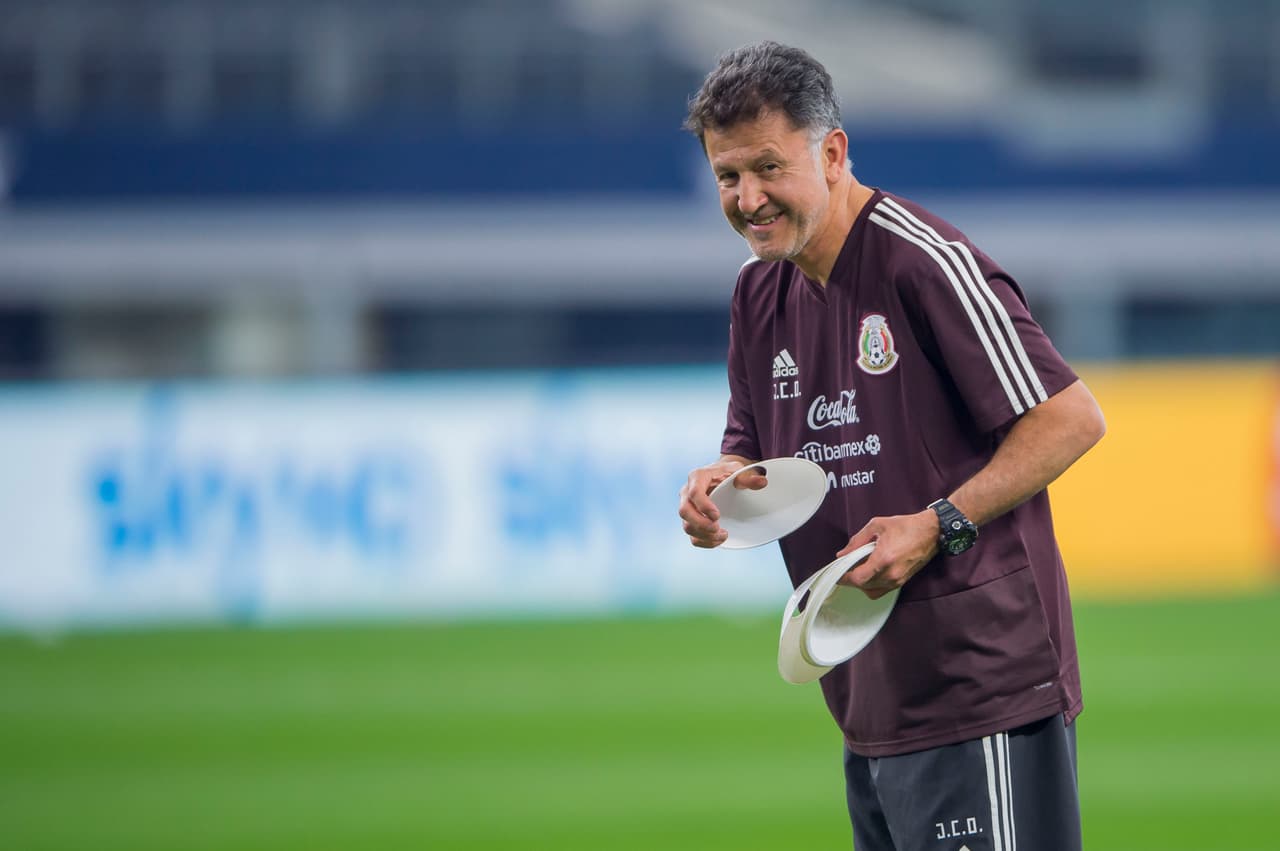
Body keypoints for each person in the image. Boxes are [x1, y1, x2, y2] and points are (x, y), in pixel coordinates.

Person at [676, 41, 1106, 851]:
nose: (748, 197)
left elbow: (1071, 417)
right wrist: (723, 488)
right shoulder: (755, 289)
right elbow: (752, 448)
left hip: (980, 691)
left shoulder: (924, 261)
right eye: (728, 175)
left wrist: (937, 521)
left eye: (768, 167)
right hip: (867, 698)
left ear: (831, 152)